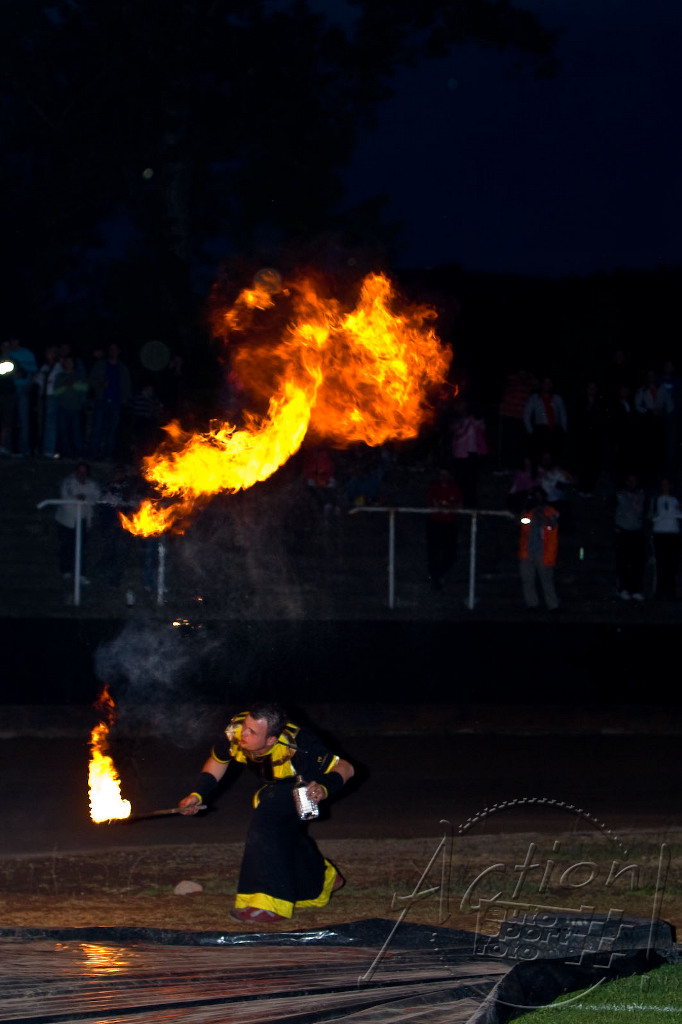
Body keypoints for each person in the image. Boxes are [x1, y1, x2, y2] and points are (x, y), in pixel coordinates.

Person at [179, 702, 354, 924]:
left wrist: (324, 788)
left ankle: (270, 904)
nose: (243, 734)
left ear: (271, 740)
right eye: (246, 727)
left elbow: (347, 768)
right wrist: (198, 794)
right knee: (284, 831)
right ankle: (323, 878)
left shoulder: (300, 743)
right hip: (273, 788)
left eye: (252, 732)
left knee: (266, 821)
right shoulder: (236, 730)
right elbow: (218, 761)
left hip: (305, 786)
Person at [54, 461, 101, 582]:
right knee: (66, 546)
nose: (82, 475)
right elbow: (67, 497)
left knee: (82, 548)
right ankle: (66, 571)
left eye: (84, 472)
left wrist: (85, 498)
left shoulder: (92, 485)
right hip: (67, 520)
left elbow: (96, 497)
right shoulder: (68, 482)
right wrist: (78, 500)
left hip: (83, 520)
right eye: (79, 472)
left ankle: (81, 574)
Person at [517, 486, 560, 611]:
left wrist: (540, 514)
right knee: (527, 580)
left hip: (544, 553)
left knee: (546, 580)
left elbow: (552, 525)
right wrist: (524, 514)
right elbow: (522, 523)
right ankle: (532, 604)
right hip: (527, 552)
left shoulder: (550, 511)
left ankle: (552, 605)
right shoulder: (530, 513)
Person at [426, 468, 462, 590]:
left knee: (451, 554)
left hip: (449, 524)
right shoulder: (434, 487)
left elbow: (458, 506)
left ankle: (439, 575)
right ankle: (435, 578)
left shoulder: (454, 489)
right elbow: (435, 504)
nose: (443, 477)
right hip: (435, 523)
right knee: (434, 552)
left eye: (446, 474)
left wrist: (446, 506)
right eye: (441, 474)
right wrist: (447, 506)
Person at [614, 474, 646, 600]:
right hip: (623, 531)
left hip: (637, 531)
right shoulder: (620, 495)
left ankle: (636, 590)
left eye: (634, 481)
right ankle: (623, 589)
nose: (632, 483)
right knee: (623, 561)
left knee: (637, 562)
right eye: (630, 481)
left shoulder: (641, 495)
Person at [650, 478, 681, 600]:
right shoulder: (656, 499)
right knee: (660, 564)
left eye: (667, 484)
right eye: (663, 484)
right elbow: (652, 516)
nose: (665, 486)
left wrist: (671, 513)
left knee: (672, 564)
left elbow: (679, 514)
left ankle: (671, 592)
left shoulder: (675, 499)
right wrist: (666, 514)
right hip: (660, 533)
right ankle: (659, 592)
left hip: (673, 533)